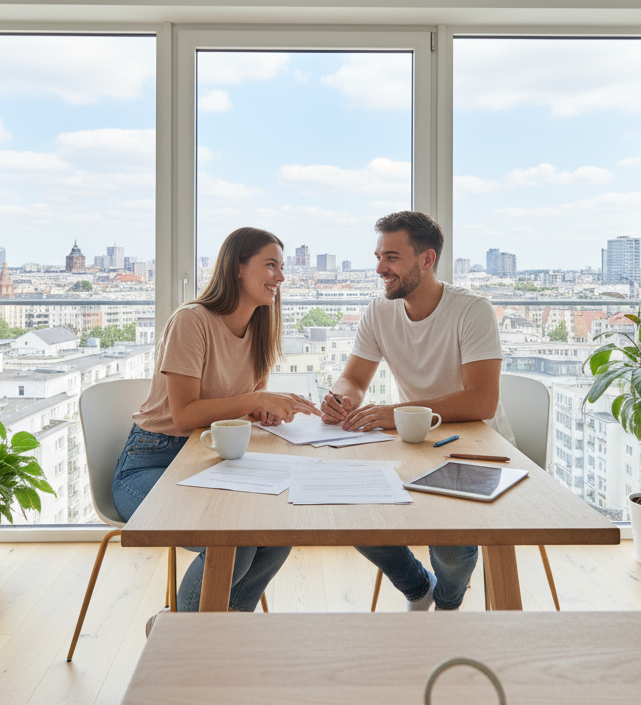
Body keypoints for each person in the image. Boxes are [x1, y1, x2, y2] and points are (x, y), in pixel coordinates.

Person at [112, 226, 319, 611]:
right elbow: (186, 414)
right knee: (233, 540)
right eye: (271, 265)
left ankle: (224, 628)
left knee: (277, 531)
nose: (281, 277)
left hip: (213, 458)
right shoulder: (192, 321)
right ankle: (179, 631)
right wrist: (255, 398)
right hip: (153, 462)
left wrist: (262, 410)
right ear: (237, 268)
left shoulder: (260, 326)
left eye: (282, 266)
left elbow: (238, 407)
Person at [320, 210, 512, 611]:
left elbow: (482, 401)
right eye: (378, 256)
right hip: (412, 444)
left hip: (476, 447)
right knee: (348, 508)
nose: (379, 268)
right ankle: (417, 587)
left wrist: (397, 412)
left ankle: (446, 602)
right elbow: (353, 379)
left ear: (426, 260)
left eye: (391, 257)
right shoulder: (379, 312)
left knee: (452, 546)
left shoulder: (472, 310)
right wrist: (342, 398)